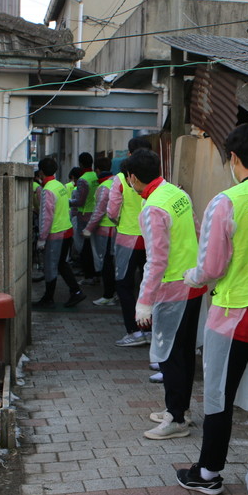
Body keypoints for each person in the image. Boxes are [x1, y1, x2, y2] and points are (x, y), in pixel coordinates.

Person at [175, 125, 248, 495]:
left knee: (218, 397)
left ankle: (208, 473)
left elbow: (211, 268)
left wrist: (189, 276)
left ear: (234, 159)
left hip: (232, 318)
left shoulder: (225, 202)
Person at [124, 148, 208, 440]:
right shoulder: (176, 193)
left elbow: (156, 259)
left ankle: (175, 418)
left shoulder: (153, 207)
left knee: (170, 356)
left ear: (133, 178)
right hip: (193, 283)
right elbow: (198, 232)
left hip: (172, 289)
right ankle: (179, 410)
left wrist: (144, 301)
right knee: (183, 352)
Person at [108, 137, 153, 347]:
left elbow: (112, 211)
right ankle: (151, 330)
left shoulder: (120, 178)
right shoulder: (157, 177)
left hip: (128, 237)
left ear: (129, 155)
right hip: (151, 237)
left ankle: (134, 332)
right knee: (149, 284)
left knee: (124, 286)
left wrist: (117, 220)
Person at [35, 157, 86, 308]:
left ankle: (49, 298)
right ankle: (76, 291)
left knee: (51, 265)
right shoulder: (59, 186)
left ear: (41, 173)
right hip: (67, 230)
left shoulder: (48, 190)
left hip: (55, 233)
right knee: (62, 264)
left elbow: (46, 215)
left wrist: (42, 238)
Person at [83, 156, 118, 306]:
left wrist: (88, 229)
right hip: (116, 228)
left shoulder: (104, 187)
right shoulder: (116, 182)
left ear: (97, 170)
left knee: (106, 263)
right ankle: (113, 293)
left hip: (106, 230)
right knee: (113, 263)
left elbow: (99, 211)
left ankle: (109, 295)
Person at [69, 152, 99, 284]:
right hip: (96, 214)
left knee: (84, 248)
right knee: (94, 247)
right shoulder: (95, 176)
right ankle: (96, 274)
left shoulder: (82, 180)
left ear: (80, 164)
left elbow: (80, 201)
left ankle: (89, 276)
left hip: (84, 216)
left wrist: (68, 201)